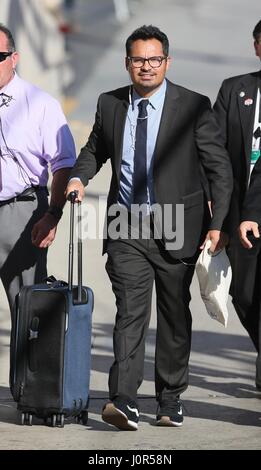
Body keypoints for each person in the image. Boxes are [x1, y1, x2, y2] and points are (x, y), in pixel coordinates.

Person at [66, 25, 232, 430]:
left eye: (154, 59)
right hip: (126, 224)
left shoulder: (193, 105)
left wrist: (218, 223)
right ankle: (123, 399)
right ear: (127, 63)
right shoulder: (110, 104)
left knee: (174, 315)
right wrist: (78, 178)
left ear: (167, 62)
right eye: (138, 59)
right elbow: (95, 149)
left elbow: (218, 169)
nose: (146, 67)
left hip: (179, 225)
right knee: (129, 314)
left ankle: (170, 398)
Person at [0, 24, 76, 323]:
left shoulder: (41, 104)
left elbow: (63, 162)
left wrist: (53, 215)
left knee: (28, 312)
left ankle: (29, 371)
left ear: (14, 58)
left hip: (20, 211)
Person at [214, 20, 261, 391]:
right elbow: (214, 151)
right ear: (256, 46)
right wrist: (221, 217)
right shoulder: (236, 90)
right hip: (240, 215)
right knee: (243, 294)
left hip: (255, 215)